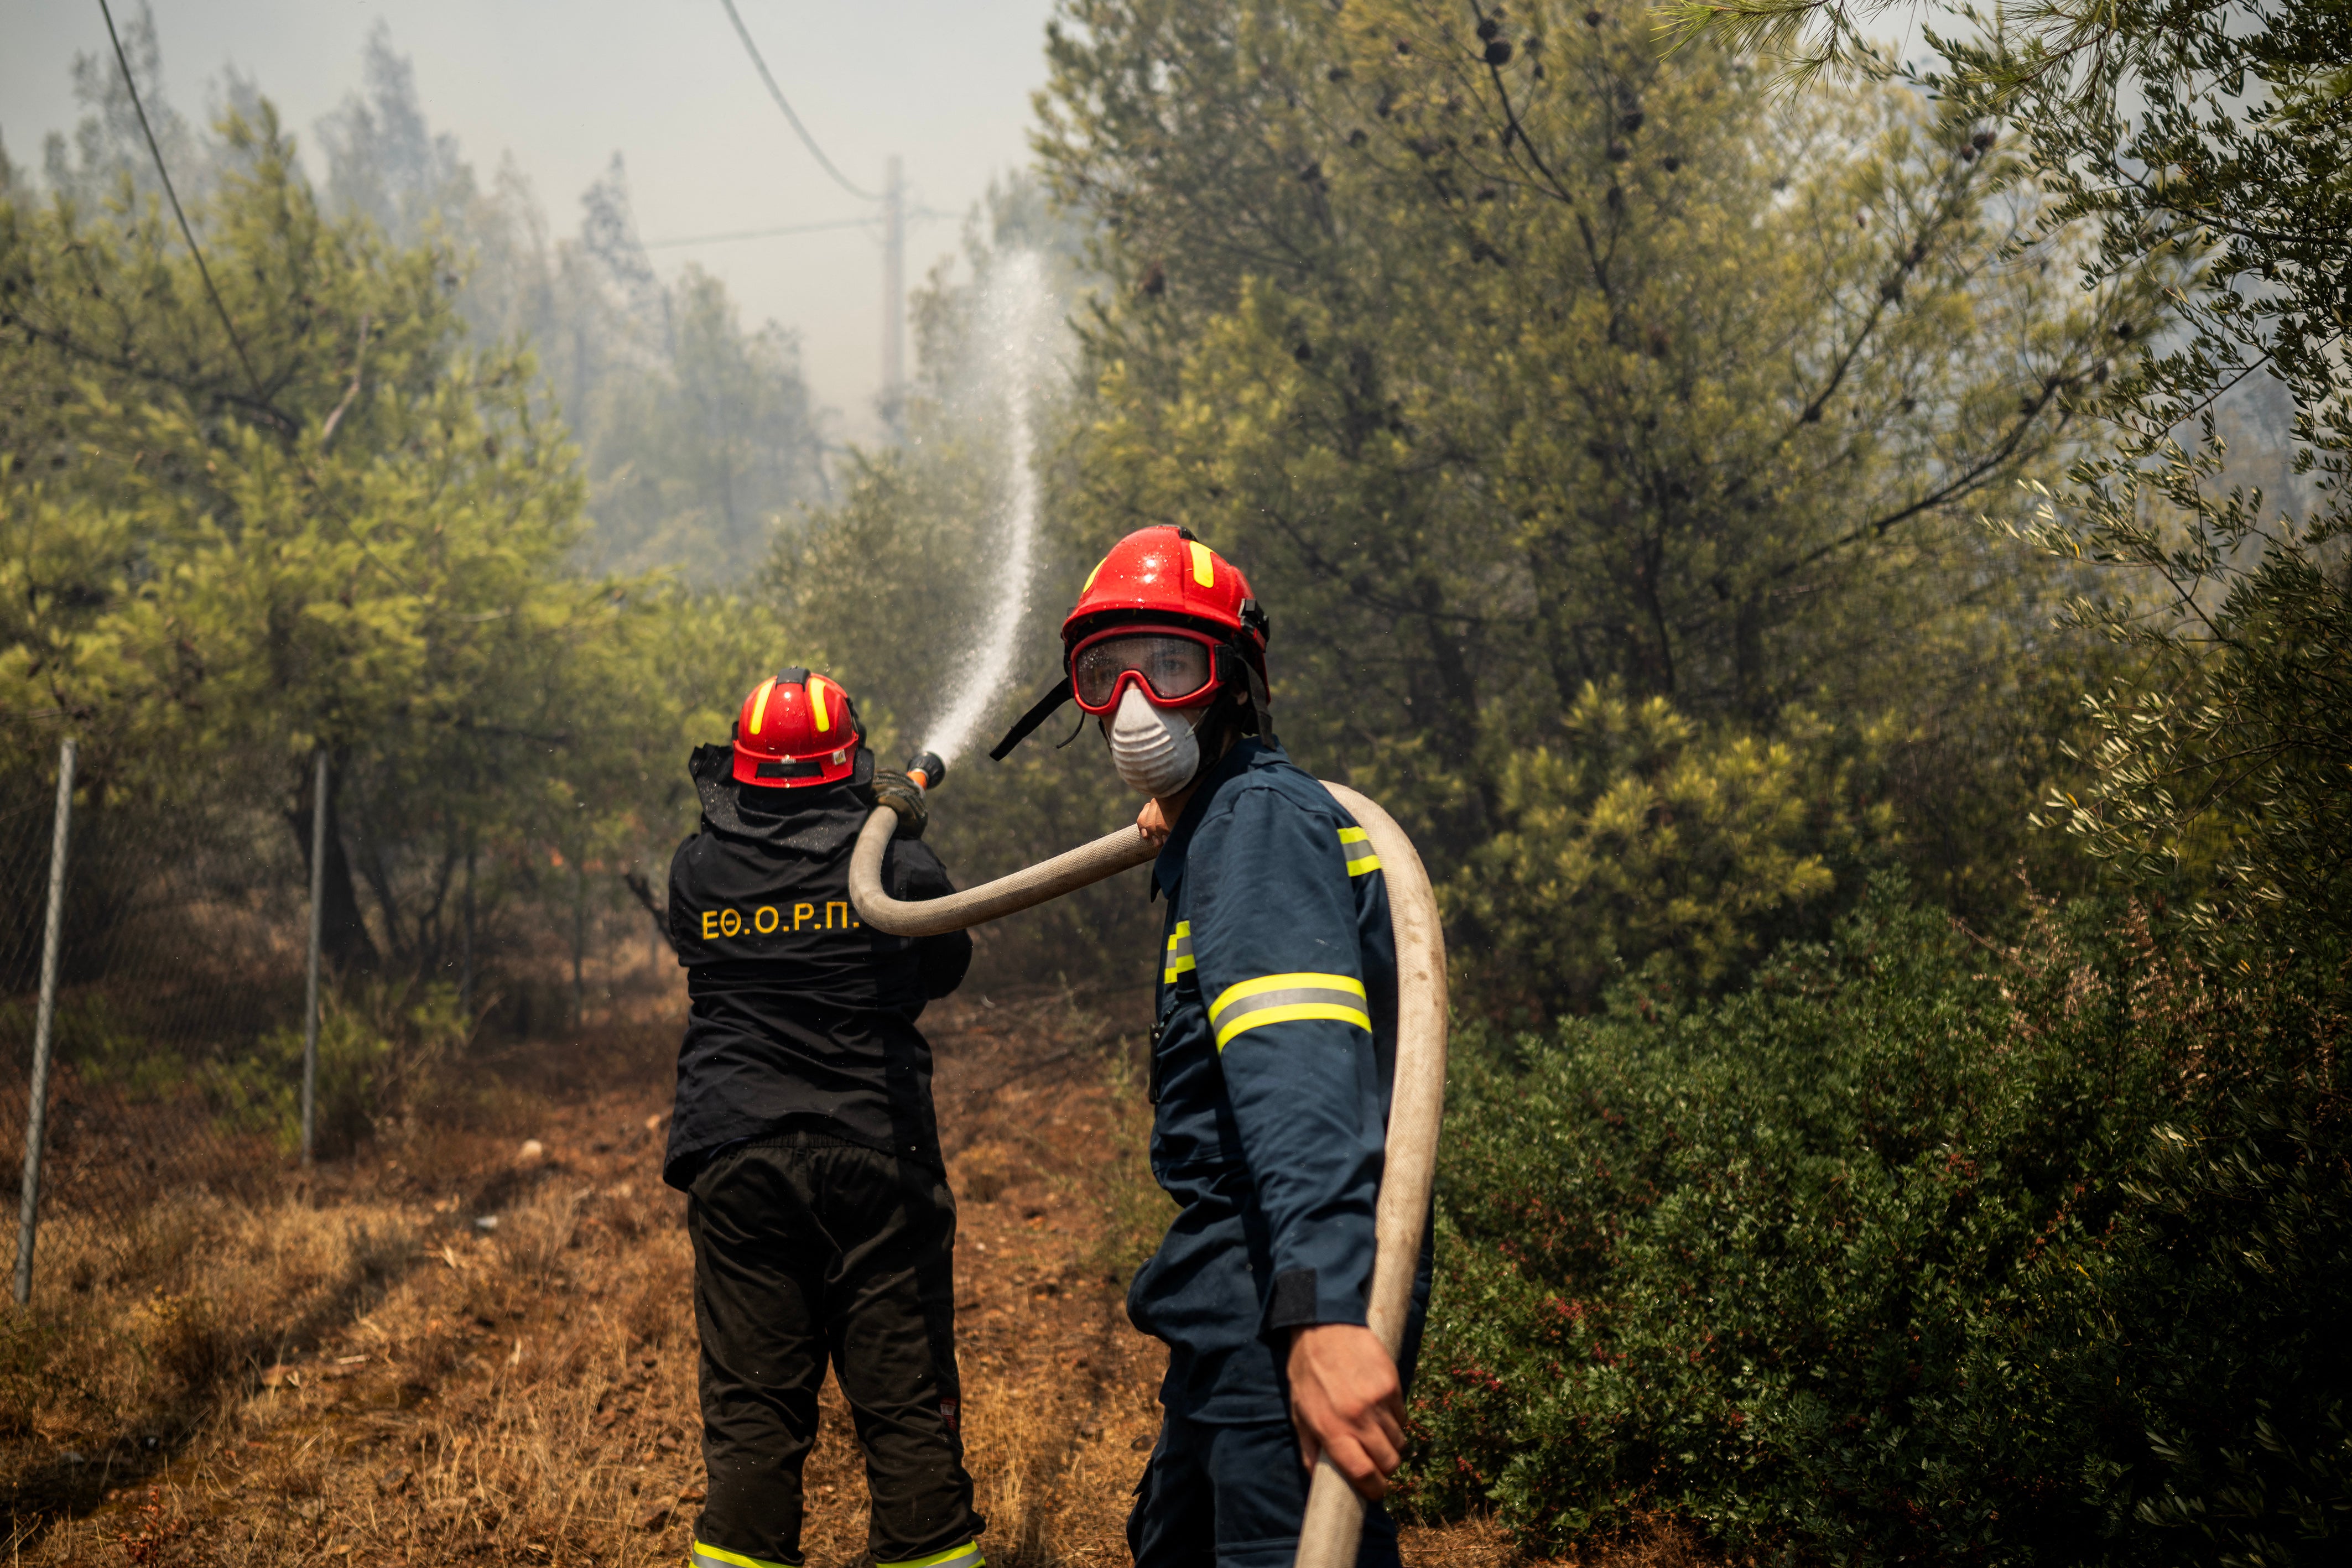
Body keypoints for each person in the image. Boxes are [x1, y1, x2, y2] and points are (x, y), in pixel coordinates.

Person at [991, 527, 1428, 1568]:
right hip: (1225, 1293)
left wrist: (1321, 1318)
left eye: (1173, 664)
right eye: (1107, 671)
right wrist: (1187, 815)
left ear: (1233, 684)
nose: (1138, 702)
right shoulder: (1229, 820)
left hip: (1276, 1291)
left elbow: (1300, 1076)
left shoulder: (1258, 825)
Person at [663, 668, 984, 1568]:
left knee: (754, 1414)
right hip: (877, 1152)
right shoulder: (897, 866)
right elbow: (946, 967)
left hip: (739, 1156)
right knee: (907, 1406)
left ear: (745, 767)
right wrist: (894, 843)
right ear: (852, 761)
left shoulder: (697, 867)